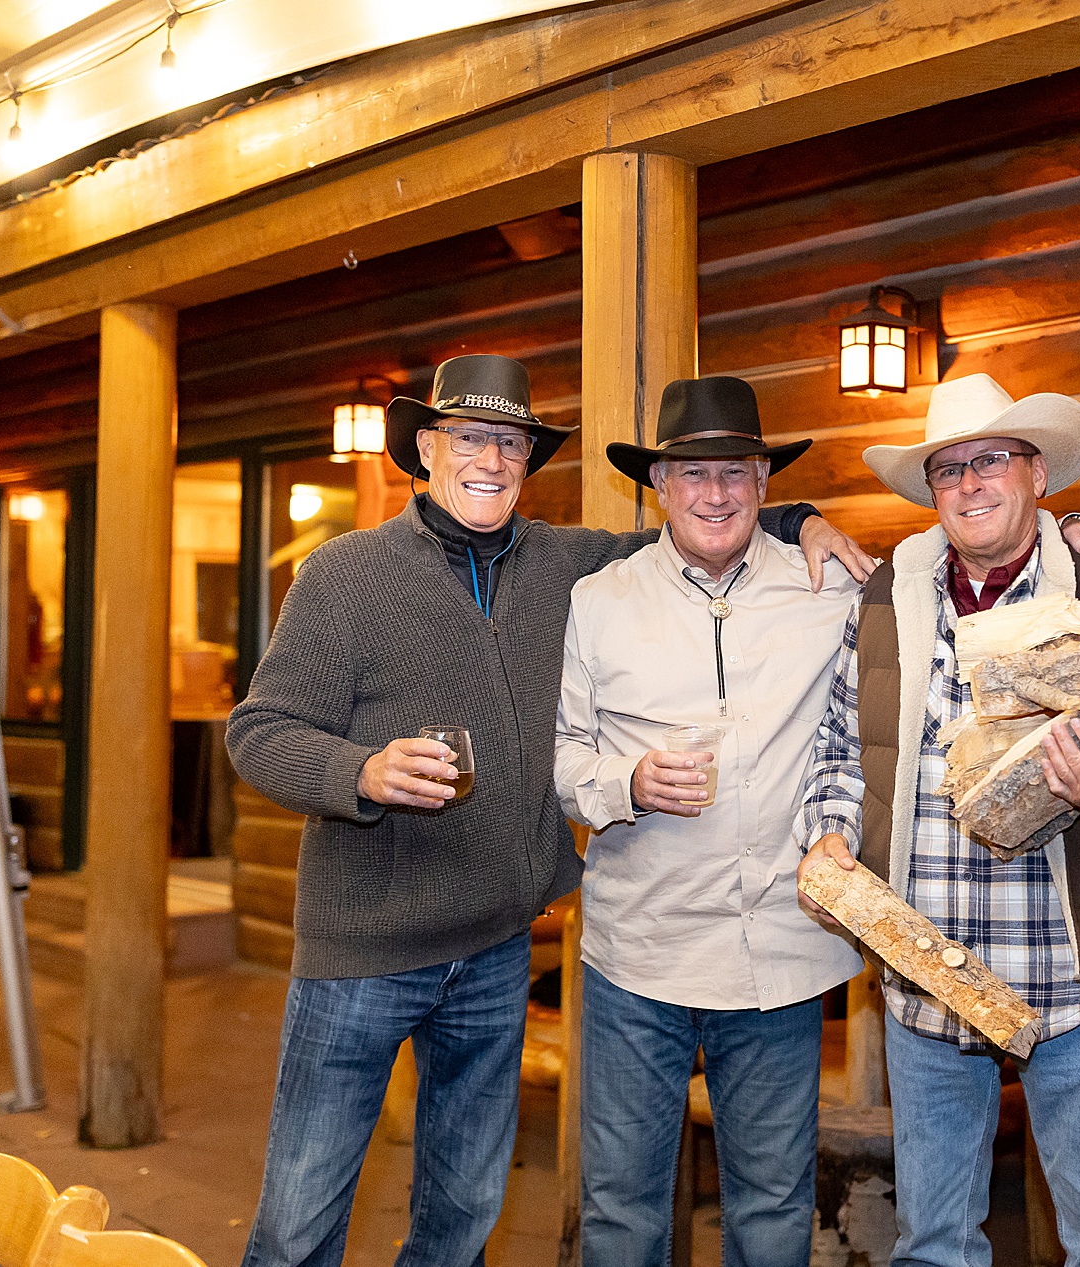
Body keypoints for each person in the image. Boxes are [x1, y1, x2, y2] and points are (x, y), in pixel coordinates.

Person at [227, 353, 870, 1267]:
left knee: (462, 1210)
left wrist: (801, 520)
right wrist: (360, 771)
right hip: (365, 946)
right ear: (426, 447)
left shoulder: (566, 563)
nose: (491, 459)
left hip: (495, 946)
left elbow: (709, 523)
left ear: (529, 460)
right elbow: (258, 731)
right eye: (470, 437)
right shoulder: (344, 575)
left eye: (511, 442)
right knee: (301, 1212)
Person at [554, 375, 1080, 1267]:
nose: (715, 492)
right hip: (700, 952)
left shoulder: (855, 585)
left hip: (905, 964)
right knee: (632, 1217)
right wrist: (635, 782)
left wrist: (1073, 533)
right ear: (658, 485)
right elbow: (831, 749)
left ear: (765, 483)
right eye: (692, 473)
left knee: (781, 1213)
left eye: (736, 471)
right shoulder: (613, 600)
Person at [796, 372, 1080, 1267]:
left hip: (1073, 979)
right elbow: (839, 746)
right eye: (949, 468)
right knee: (933, 1245)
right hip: (927, 971)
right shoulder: (887, 596)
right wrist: (829, 832)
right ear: (931, 490)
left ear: (1037, 474)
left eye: (992, 461)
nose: (970, 483)